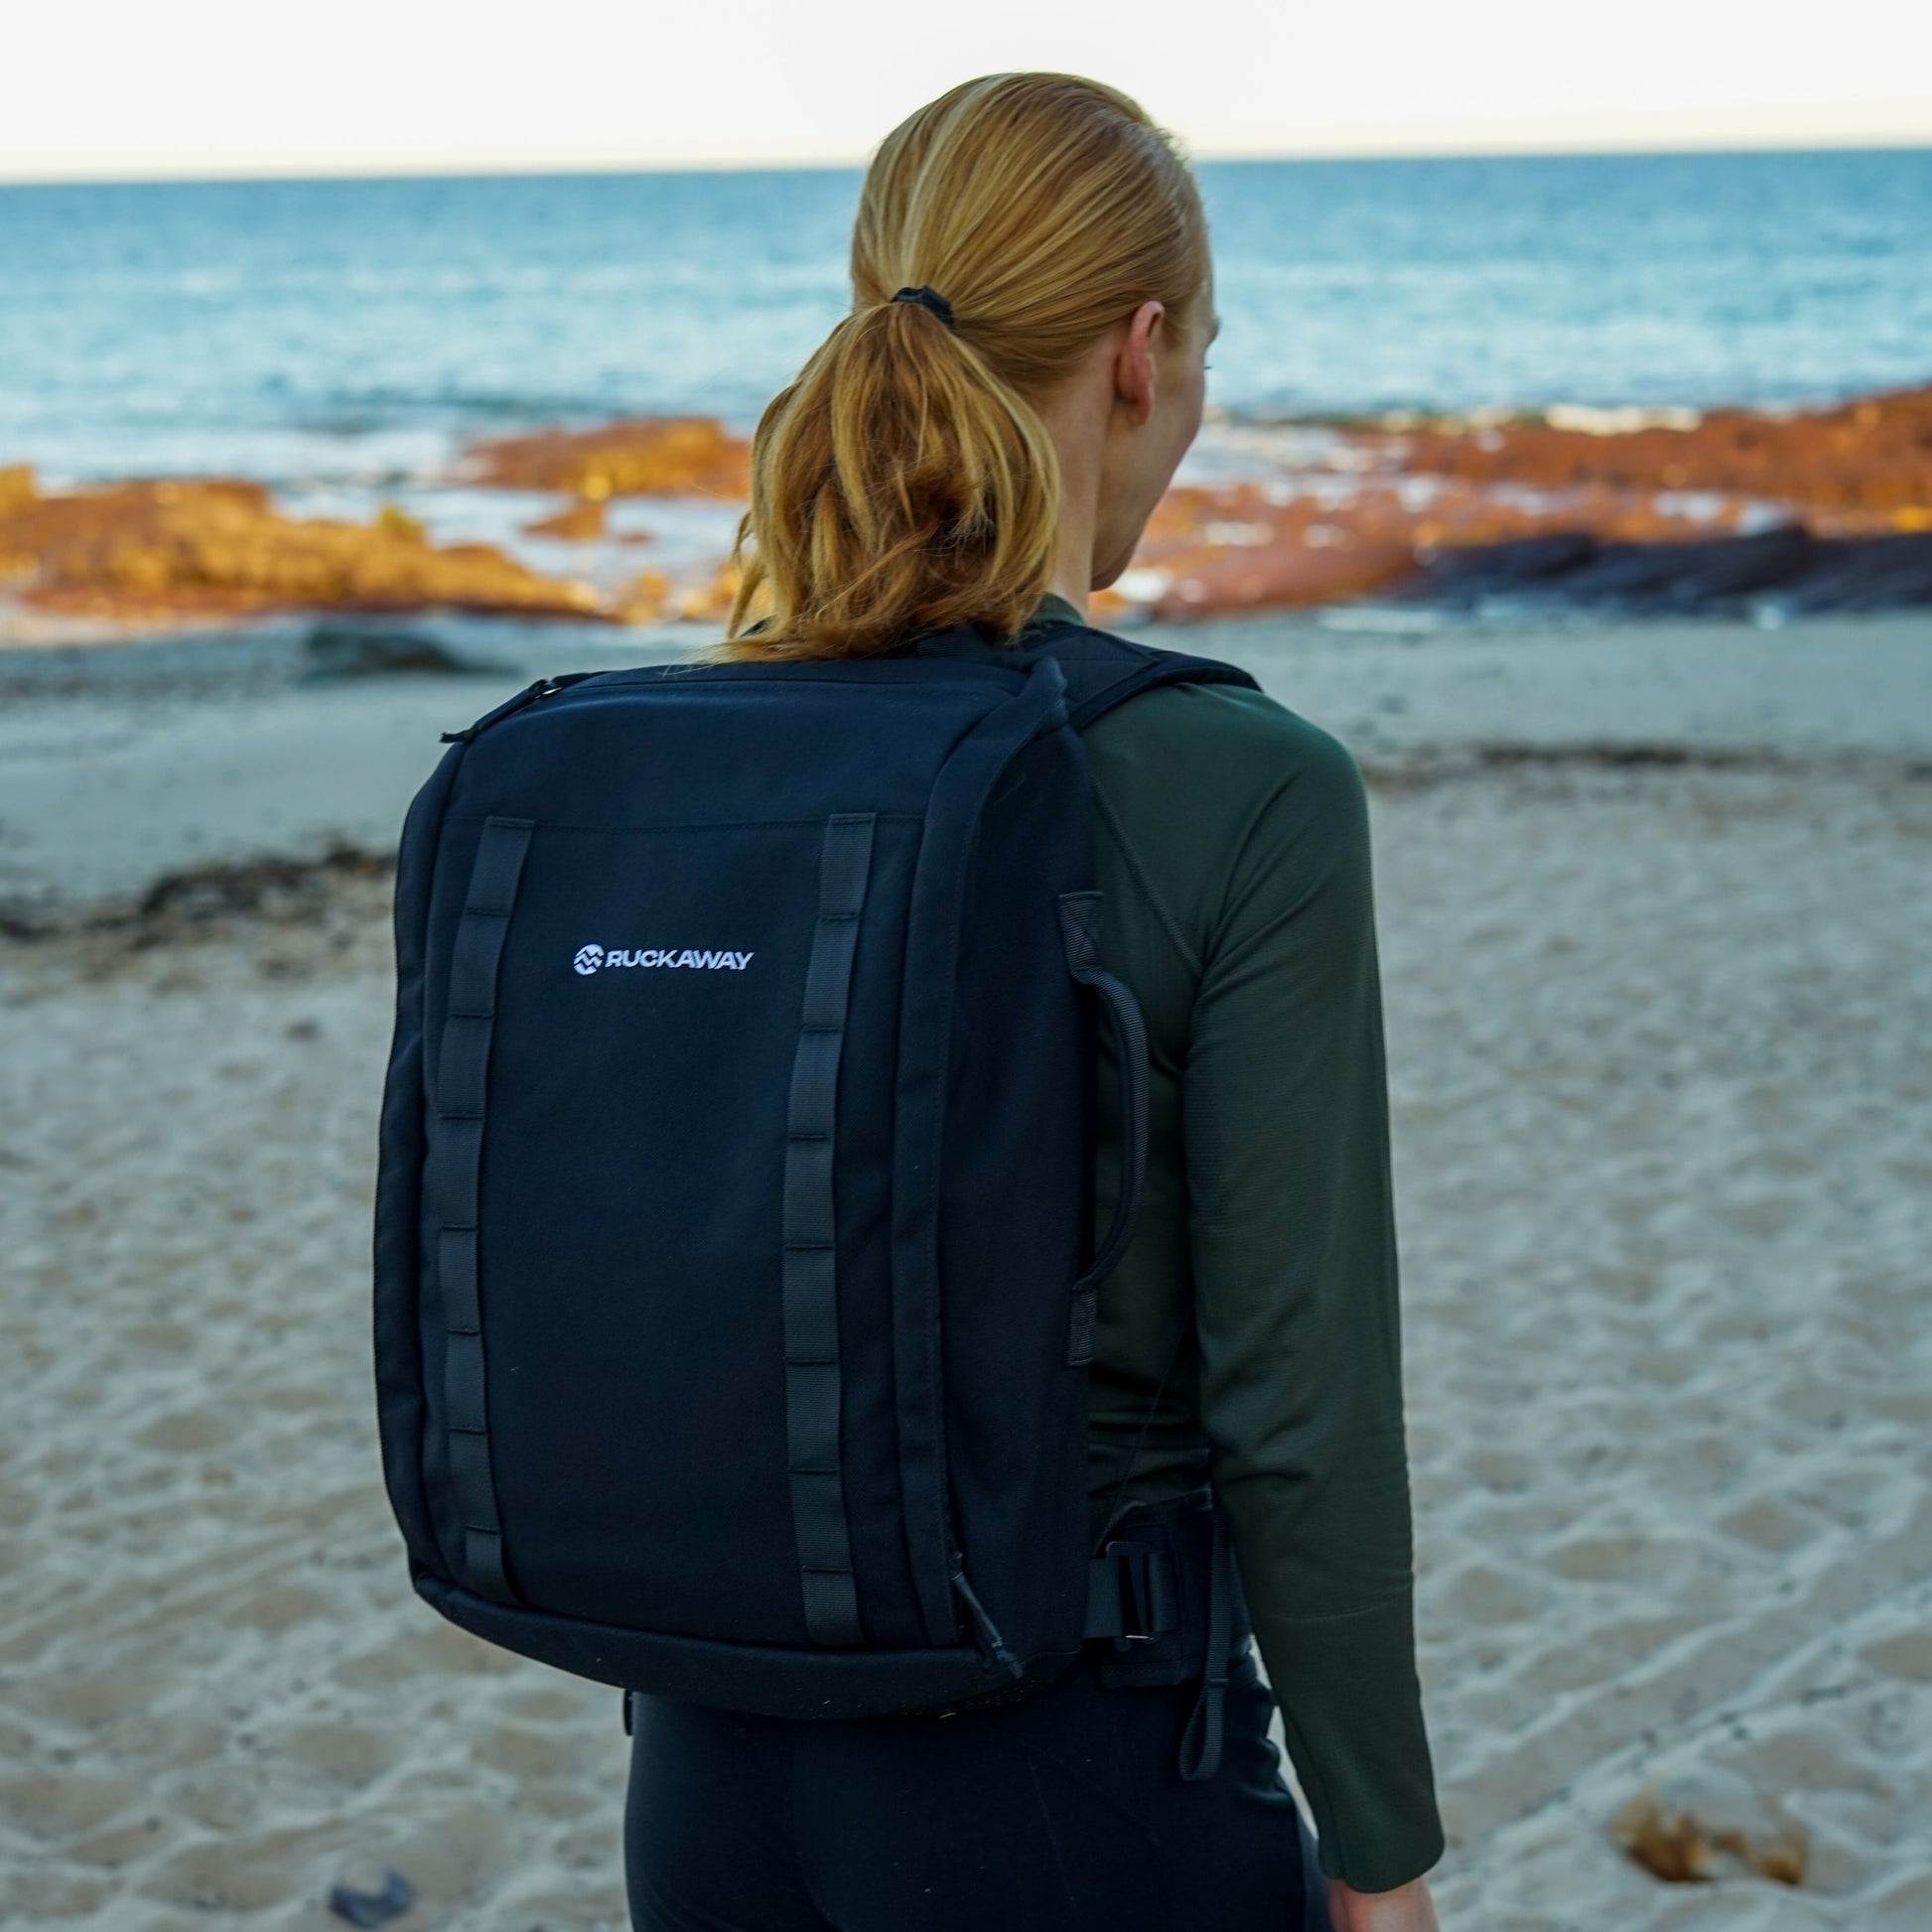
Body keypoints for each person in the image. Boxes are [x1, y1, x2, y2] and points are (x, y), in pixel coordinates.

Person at [623, 72, 1444, 1932]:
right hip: (1078, 1765)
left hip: (706, 1765)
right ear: (1142, 354)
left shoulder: (691, 752)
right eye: (1209, 348)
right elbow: (1297, 1399)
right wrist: (1380, 1853)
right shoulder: (1242, 781)